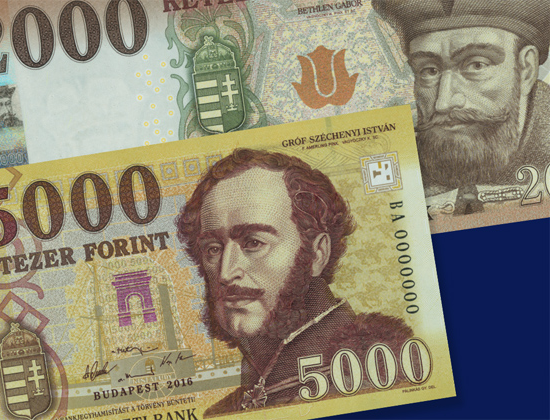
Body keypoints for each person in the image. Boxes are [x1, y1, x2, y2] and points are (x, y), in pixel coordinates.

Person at [176, 149, 413, 414]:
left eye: (254, 243)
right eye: (213, 249)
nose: (225, 272)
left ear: (317, 254)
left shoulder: (386, 372)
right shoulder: (223, 413)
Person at [372, 0, 550, 213]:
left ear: (526, 70)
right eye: (429, 71)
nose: (444, 102)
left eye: (476, 65)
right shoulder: (389, 155)